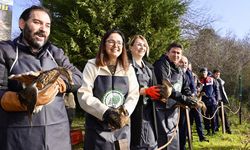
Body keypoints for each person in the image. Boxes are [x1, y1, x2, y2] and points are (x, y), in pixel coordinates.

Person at [0, 5, 83, 150]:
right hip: (20, 137)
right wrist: (25, 99)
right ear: (22, 23)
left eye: (47, 25)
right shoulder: (5, 50)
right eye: (37, 22)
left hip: (58, 136)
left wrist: (56, 84)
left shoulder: (55, 52)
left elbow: (77, 77)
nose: (43, 29)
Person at [77, 29, 139, 149]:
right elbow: (84, 94)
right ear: (104, 44)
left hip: (122, 129)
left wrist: (124, 113)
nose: (116, 46)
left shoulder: (128, 68)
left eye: (119, 43)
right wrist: (105, 112)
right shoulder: (92, 66)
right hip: (97, 128)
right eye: (111, 42)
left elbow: (134, 94)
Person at [153, 43, 198, 149]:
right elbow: (167, 89)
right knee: (163, 140)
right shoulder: (161, 64)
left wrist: (191, 99)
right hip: (161, 109)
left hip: (174, 110)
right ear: (167, 52)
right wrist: (185, 99)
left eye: (178, 53)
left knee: (173, 140)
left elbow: (185, 88)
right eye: (173, 52)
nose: (176, 55)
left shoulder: (179, 69)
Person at [128, 35, 159, 149]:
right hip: (133, 113)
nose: (142, 47)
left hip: (149, 112)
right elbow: (121, 89)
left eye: (144, 45)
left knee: (151, 144)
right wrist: (143, 91)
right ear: (131, 47)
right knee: (137, 144)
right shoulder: (125, 66)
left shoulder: (149, 68)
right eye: (139, 44)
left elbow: (155, 87)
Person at [187, 63, 208, 142]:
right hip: (187, 102)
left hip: (196, 101)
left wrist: (197, 89)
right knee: (189, 121)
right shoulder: (181, 74)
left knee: (199, 120)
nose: (188, 68)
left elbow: (200, 84)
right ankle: (189, 137)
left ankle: (202, 137)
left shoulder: (194, 76)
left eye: (189, 66)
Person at [199, 67, 219, 136]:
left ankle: (213, 130)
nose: (203, 73)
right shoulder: (199, 81)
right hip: (203, 102)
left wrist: (217, 100)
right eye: (202, 72)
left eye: (205, 72)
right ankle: (208, 130)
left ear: (207, 72)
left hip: (212, 101)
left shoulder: (212, 80)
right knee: (205, 117)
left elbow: (216, 90)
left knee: (213, 117)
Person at [212, 69, 231, 134]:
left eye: (219, 74)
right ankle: (215, 129)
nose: (218, 75)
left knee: (224, 115)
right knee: (215, 115)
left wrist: (225, 99)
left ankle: (227, 129)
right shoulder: (211, 80)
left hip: (221, 100)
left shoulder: (220, 81)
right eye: (216, 74)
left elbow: (223, 91)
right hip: (214, 100)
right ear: (213, 74)